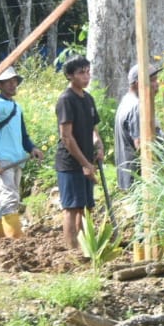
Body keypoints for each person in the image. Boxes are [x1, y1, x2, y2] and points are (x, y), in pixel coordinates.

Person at [0, 66, 43, 239]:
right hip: (2, 159)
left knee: (7, 200)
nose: (12, 84)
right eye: (8, 82)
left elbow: (23, 135)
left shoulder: (17, 107)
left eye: (14, 81)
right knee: (10, 199)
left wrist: (32, 148)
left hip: (17, 159)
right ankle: (16, 239)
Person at [54, 55, 104, 251]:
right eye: (81, 73)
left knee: (86, 207)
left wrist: (98, 145)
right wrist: (84, 163)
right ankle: (71, 250)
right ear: (69, 76)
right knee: (72, 208)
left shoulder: (88, 99)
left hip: (86, 161)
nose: (86, 76)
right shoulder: (66, 100)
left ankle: (85, 247)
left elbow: (93, 128)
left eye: (88, 71)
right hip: (70, 164)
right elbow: (66, 137)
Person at [114, 63, 160, 190]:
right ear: (136, 83)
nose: (157, 84)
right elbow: (141, 144)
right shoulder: (137, 107)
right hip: (140, 178)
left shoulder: (126, 101)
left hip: (131, 176)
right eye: (152, 80)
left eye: (156, 79)